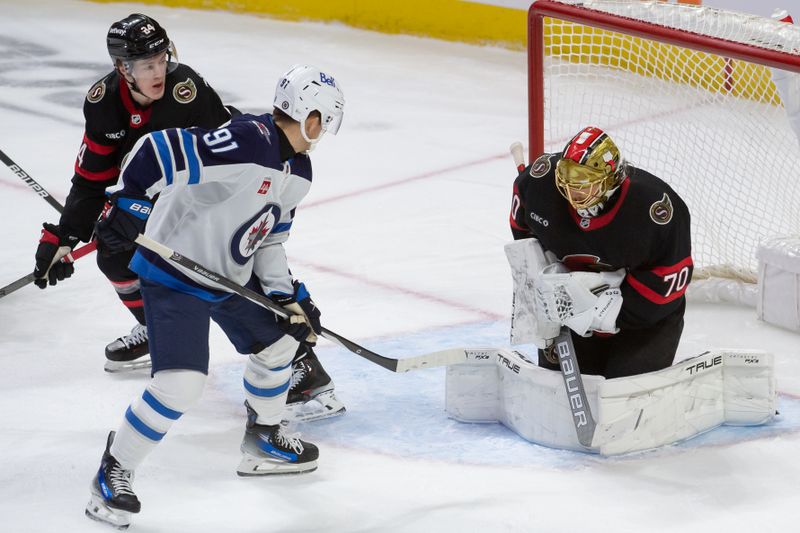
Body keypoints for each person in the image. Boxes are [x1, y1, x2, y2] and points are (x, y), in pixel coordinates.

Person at [84, 64, 345, 529]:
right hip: (174, 271)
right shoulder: (249, 141)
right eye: (324, 120)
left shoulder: (298, 170)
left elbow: (269, 240)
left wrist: (287, 298)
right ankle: (114, 469)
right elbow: (158, 149)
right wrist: (126, 202)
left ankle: (262, 438)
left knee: (283, 342)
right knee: (180, 386)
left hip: (229, 277)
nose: (323, 131)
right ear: (311, 116)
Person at [32, 13, 233, 372]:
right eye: (145, 65)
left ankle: (301, 362)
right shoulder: (103, 104)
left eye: (161, 60)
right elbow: (92, 179)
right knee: (112, 254)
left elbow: (232, 151)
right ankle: (155, 329)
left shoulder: (186, 89)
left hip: (209, 193)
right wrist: (66, 234)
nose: (158, 73)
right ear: (123, 68)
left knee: (230, 270)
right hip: (155, 195)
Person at [509, 126, 693, 379]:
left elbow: (668, 279)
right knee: (557, 387)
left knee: (623, 390)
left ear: (610, 180)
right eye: (568, 182)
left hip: (644, 322)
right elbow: (521, 227)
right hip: (571, 314)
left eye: (584, 185)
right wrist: (543, 278)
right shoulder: (539, 184)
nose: (573, 193)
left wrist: (613, 313)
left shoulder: (654, 210)